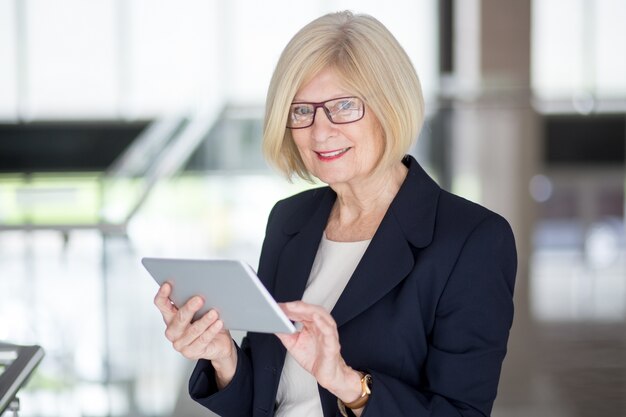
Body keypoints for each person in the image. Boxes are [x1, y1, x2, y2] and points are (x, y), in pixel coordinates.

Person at [154, 10, 517, 417]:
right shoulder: (289, 221)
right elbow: (265, 398)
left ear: (390, 106)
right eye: (301, 110)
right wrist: (222, 356)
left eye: (344, 106)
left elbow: (461, 412)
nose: (320, 131)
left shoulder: (472, 240)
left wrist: (347, 382)